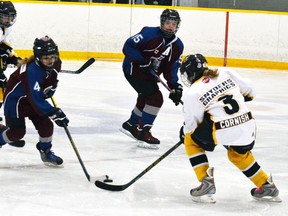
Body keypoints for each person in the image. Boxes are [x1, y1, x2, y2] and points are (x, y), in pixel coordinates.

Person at [179, 54, 281, 203]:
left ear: (190, 73)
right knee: (238, 154)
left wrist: (184, 133)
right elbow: (250, 92)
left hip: (221, 129)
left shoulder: (193, 92)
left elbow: (191, 125)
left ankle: (205, 181)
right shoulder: (224, 72)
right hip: (248, 125)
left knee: (190, 140)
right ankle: (266, 185)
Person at [0, 36, 69, 167]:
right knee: (17, 133)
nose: (50, 61)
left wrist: (51, 87)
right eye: (46, 58)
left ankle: (46, 151)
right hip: (16, 101)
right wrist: (54, 112)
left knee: (47, 126)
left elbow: (50, 79)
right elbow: (35, 98)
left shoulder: (56, 62)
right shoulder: (33, 71)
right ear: (38, 57)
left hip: (31, 98)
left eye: (52, 56)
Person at [121, 8, 184, 148]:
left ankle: (131, 123)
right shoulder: (149, 34)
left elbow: (171, 67)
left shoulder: (178, 46)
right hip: (133, 70)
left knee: (146, 96)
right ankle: (144, 131)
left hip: (149, 74)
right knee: (155, 98)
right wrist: (141, 61)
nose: (170, 26)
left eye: (174, 24)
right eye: (168, 22)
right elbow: (128, 46)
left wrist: (174, 85)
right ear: (162, 23)